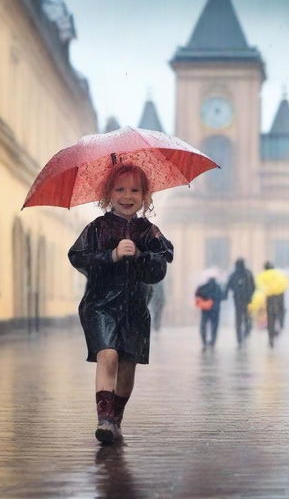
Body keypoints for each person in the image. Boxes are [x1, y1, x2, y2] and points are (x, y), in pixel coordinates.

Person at [68, 163, 174, 444]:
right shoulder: (97, 228)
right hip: (100, 304)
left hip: (135, 308)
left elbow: (159, 269)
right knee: (108, 355)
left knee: (127, 366)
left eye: (135, 190)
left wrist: (140, 254)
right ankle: (103, 418)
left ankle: (115, 418)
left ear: (145, 196)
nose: (127, 196)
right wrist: (111, 255)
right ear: (108, 194)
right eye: (120, 189)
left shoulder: (149, 232)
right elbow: (79, 258)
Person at [256, 262, 289, 348]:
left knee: (271, 319)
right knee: (279, 315)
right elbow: (286, 283)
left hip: (270, 298)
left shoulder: (263, 275)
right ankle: (279, 329)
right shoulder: (278, 274)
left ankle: (271, 337)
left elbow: (260, 287)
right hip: (279, 297)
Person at [225, 258, 256, 345]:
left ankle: (239, 338)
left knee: (238, 319)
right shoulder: (248, 273)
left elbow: (228, 285)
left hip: (237, 300)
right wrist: (250, 295)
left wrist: (229, 294)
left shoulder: (234, 274)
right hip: (247, 300)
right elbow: (253, 286)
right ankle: (246, 332)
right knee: (247, 317)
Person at [195, 276, 225, 349]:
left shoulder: (203, 287)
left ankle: (204, 341)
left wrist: (205, 298)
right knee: (214, 326)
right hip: (215, 310)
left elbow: (197, 294)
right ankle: (213, 341)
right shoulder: (218, 287)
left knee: (203, 325)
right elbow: (223, 297)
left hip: (205, 310)